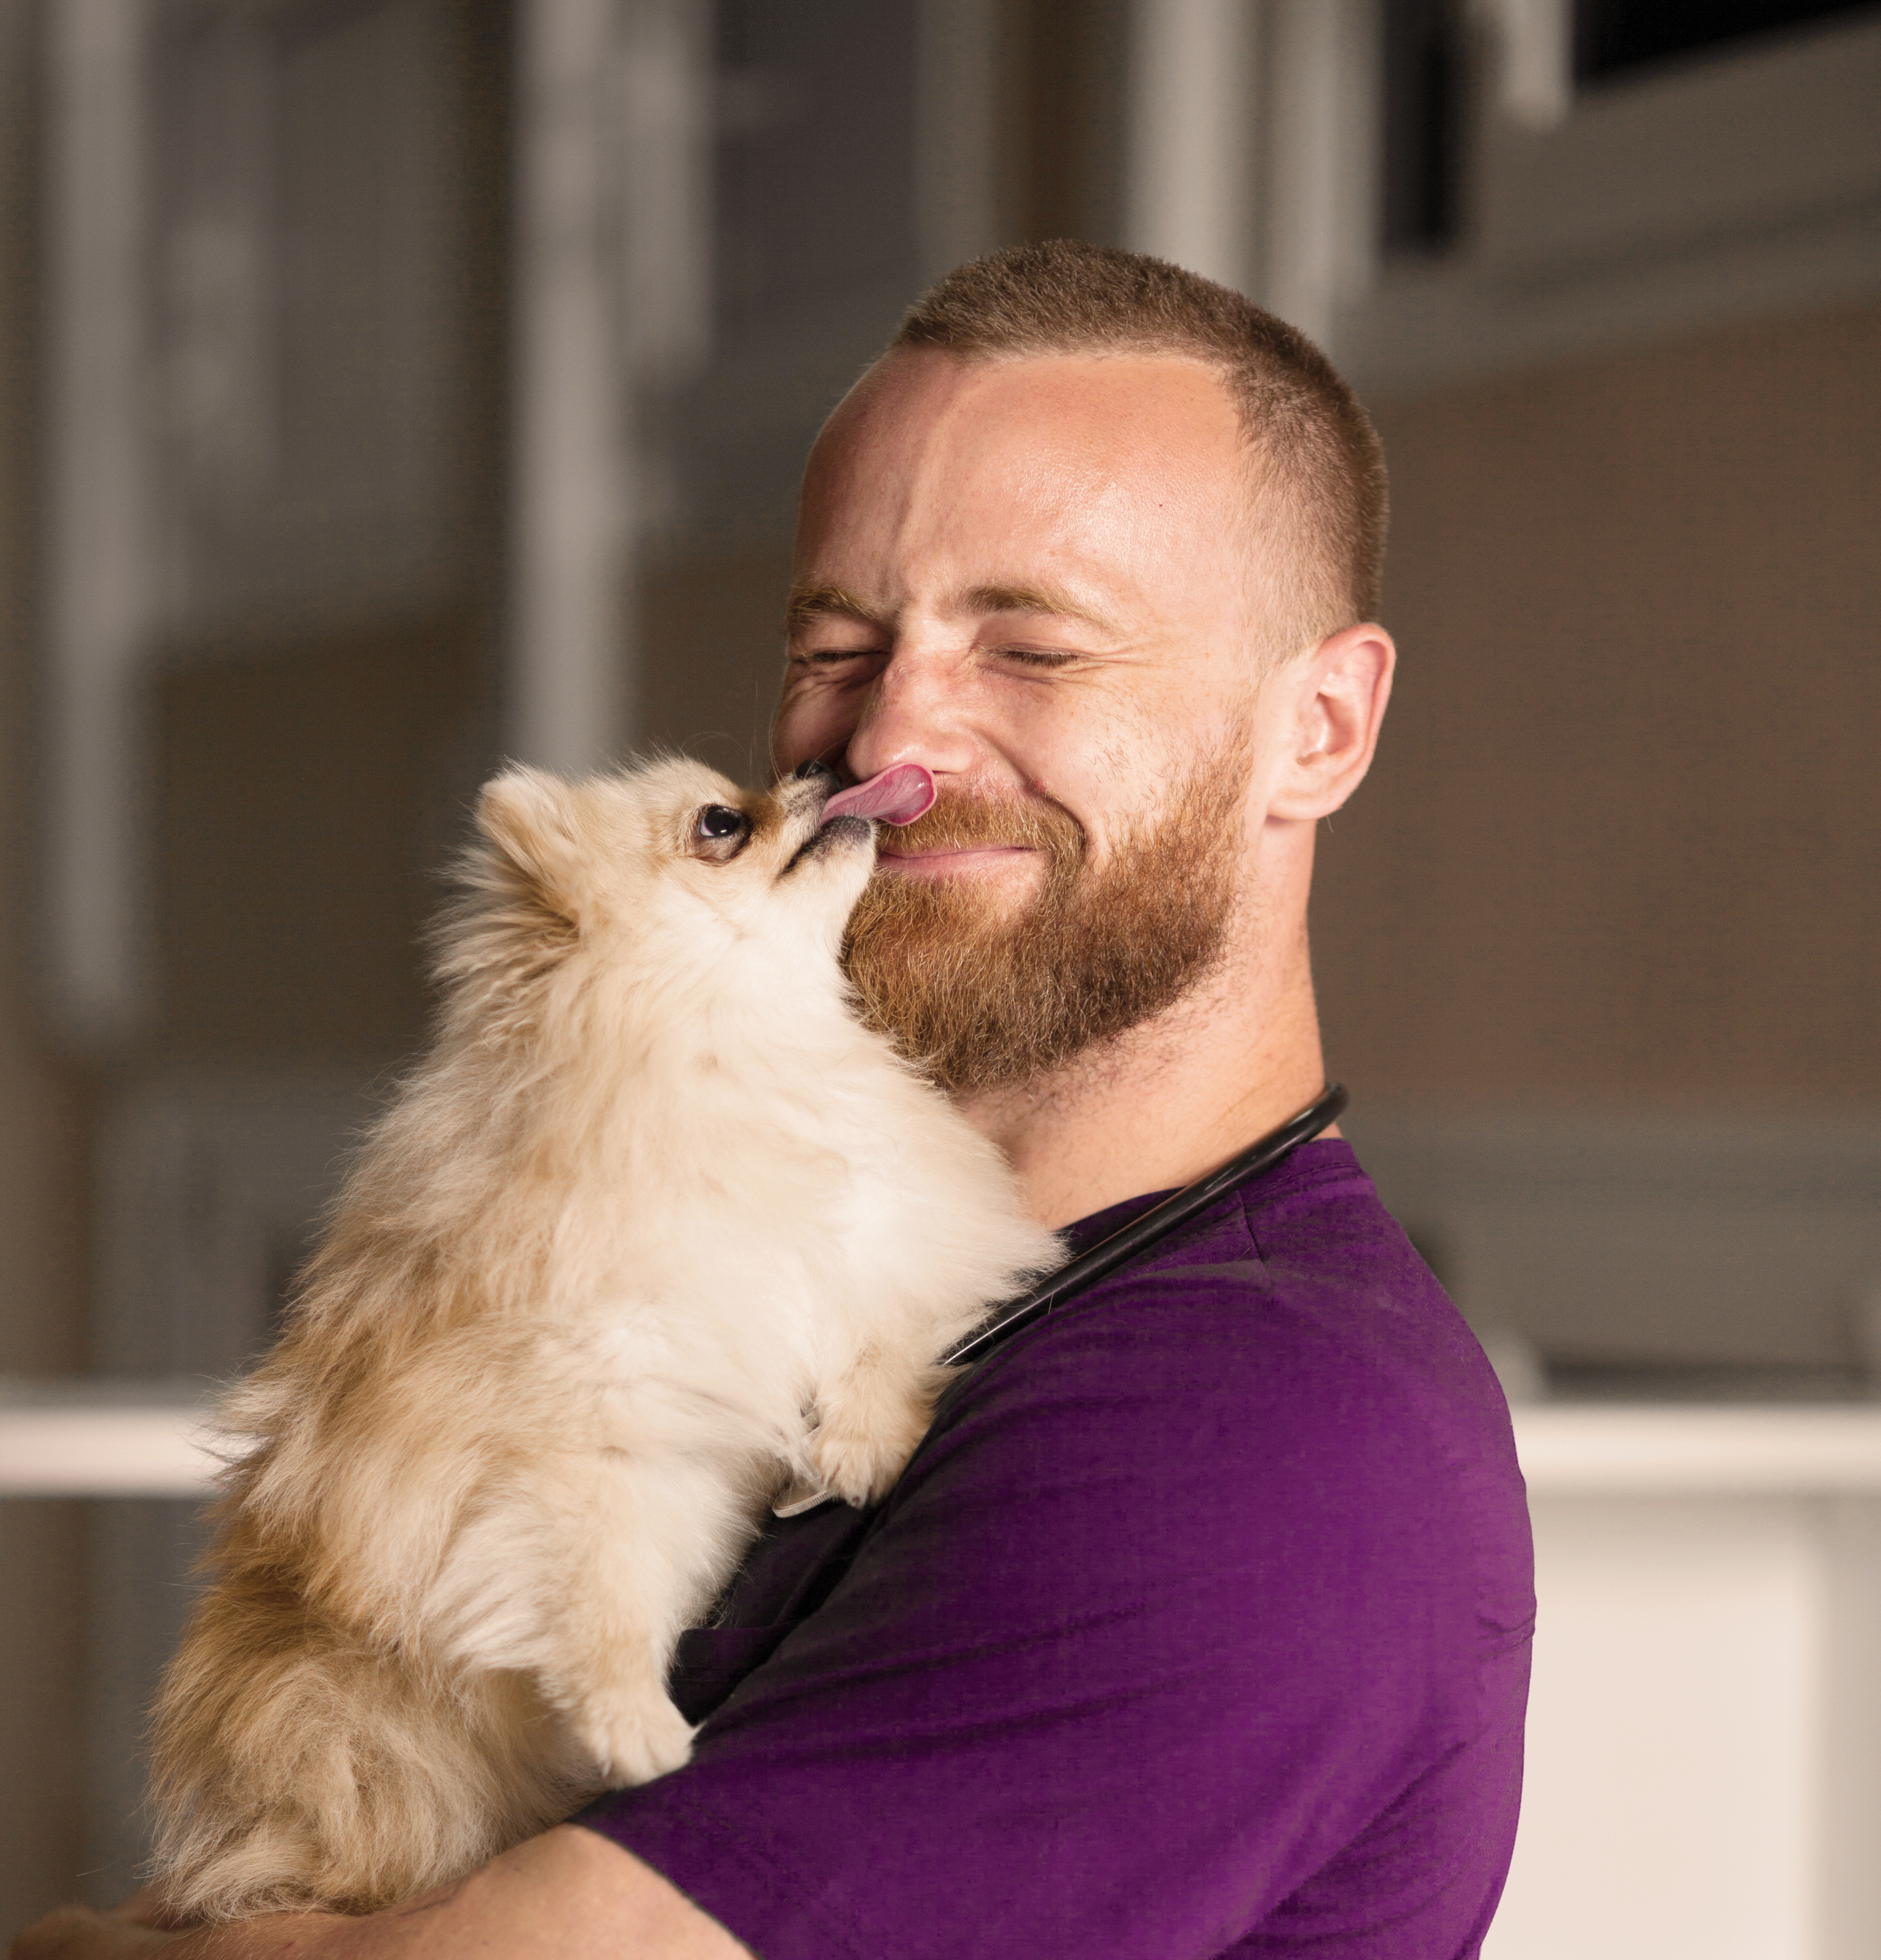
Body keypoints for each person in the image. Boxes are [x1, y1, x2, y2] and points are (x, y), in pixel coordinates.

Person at [13, 242, 1533, 1960]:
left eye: (1031, 646)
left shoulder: (1260, 1435)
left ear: (1317, 728)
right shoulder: (834, 1289)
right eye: (837, 640)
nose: (887, 737)